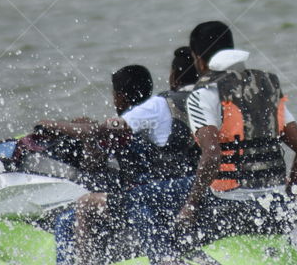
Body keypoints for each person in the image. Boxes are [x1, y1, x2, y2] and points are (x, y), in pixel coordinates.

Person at [175, 21, 297, 248]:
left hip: (228, 206)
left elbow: (211, 155)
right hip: (274, 205)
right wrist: (289, 197)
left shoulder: (203, 95)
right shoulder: (266, 89)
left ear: (198, 58)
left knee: (170, 213)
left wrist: (190, 206)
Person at [42, 64, 197, 265]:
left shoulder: (125, 123)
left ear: (120, 96)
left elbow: (93, 163)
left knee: (66, 221)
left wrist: (53, 125)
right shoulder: (159, 114)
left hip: (140, 199)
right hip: (168, 194)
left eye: (114, 94)